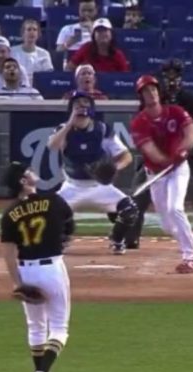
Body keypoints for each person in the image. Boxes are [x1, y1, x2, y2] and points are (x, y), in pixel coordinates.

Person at [125, 60, 193, 253]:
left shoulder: (188, 99)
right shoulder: (148, 105)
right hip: (157, 159)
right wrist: (161, 157)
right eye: (167, 75)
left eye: (175, 75)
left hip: (186, 156)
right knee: (138, 193)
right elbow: (145, 136)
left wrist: (186, 146)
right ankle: (129, 237)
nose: (171, 79)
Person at [0, 162, 75, 372]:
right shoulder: (53, 201)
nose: (33, 173)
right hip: (52, 268)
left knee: (35, 326)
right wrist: (63, 239)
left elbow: (9, 254)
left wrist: (18, 282)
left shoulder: (10, 213)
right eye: (28, 171)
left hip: (26, 270)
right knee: (60, 328)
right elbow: (69, 226)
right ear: (24, 181)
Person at [130, 75, 193, 274]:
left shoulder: (176, 112)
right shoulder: (138, 123)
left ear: (159, 91)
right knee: (167, 225)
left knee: (175, 208)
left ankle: (190, 257)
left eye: (153, 89)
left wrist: (183, 149)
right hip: (157, 173)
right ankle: (192, 239)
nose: (151, 94)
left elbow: (190, 132)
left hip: (179, 170)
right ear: (141, 96)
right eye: (146, 91)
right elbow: (151, 152)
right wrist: (170, 159)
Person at [47, 91, 137, 255]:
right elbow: (52, 145)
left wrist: (114, 168)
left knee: (130, 209)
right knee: (50, 211)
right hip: (72, 187)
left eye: (84, 104)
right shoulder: (63, 129)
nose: (81, 108)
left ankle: (116, 239)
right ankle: (64, 236)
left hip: (100, 186)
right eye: (76, 105)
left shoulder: (102, 130)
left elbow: (126, 156)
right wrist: (69, 123)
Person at [65, 18, 129, 73]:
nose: (102, 33)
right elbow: (69, 68)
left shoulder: (118, 54)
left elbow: (124, 77)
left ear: (111, 34)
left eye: (105, 30)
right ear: (94, 35)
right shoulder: (86, 48)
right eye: (99, 31)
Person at [11, 19, 54, 85]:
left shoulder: (44, 54)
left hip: (38, 87)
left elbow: (48, 76)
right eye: (29, 29)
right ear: (22, 33)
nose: (32, 32)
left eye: (35, 30)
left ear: (38, 34)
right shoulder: (12, 51)